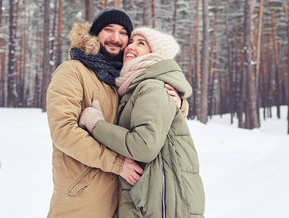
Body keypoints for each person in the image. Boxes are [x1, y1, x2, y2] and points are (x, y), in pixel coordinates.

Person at [46, 7, 185, 217]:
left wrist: (177, 102)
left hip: (121, 203)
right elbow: (63, 132)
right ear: (95, 34)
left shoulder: (125, 81)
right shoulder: (73, 71)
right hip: (82, 202)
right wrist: (116, 163)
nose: (116, 38)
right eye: (108, 30)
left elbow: (149, 120)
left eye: (123, 33)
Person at [79, 27, 205, 217]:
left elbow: (144, 146)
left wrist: (97, 125)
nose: (131, 46)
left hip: (164, 202)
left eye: (141, 43)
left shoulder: (151, 86)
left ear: (154, 54)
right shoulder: (136, 86)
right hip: (155, 198)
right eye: (131, 41)